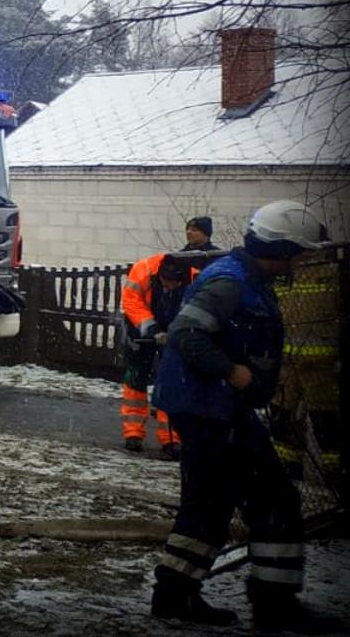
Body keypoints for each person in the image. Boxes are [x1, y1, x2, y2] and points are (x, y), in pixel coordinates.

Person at [150, 199, 338, 631]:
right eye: (300, 253)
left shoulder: (247, 278)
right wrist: (233, 372)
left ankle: (174, 596)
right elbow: (186, 334)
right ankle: (274, 607)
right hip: (211, 409)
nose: (302, 262)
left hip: (210, 408)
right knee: (273, 502)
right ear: (284, 248)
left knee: (210, 505)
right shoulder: (231, 283)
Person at [118, 253, 194, 458]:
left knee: (172, 384)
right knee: (136, 380)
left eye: (173, 284)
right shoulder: (143, 270)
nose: (168, 287)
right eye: (165, 282)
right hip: (140, 331)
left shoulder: (195, 278)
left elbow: (195, 309)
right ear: (158, 276)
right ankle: (133, 434)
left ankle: (171, 438)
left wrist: (177, 332)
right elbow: (131, 302)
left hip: (174, 334)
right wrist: (152, 330)